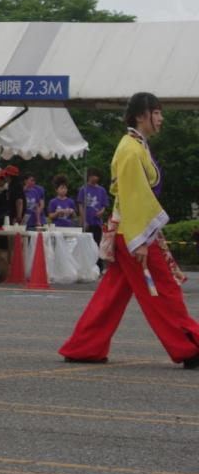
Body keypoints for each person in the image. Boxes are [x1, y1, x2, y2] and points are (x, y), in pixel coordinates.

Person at [59, 93, 199, 368]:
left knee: (113, 293)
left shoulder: (135, 145)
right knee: (163, 289)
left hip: (127, 230)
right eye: (156, 113)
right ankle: (190, 346)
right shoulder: (131, 149)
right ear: (140, 115)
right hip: (135, 233)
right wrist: (142, 240)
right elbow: (135, 197)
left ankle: (84, 346)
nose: (160, 119)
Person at [76, 168, 110, 249]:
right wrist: (84, 220)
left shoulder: (102, 190)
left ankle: (97, 261)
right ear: (89, 176)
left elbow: (104, 205)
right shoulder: (83, 189)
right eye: (93, 176)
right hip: (87, 222)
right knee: (86, 245)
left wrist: (102, 212)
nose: (95, 178)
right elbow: (80, 205)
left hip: (97, 223)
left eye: (97, 176)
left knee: (97, 243)